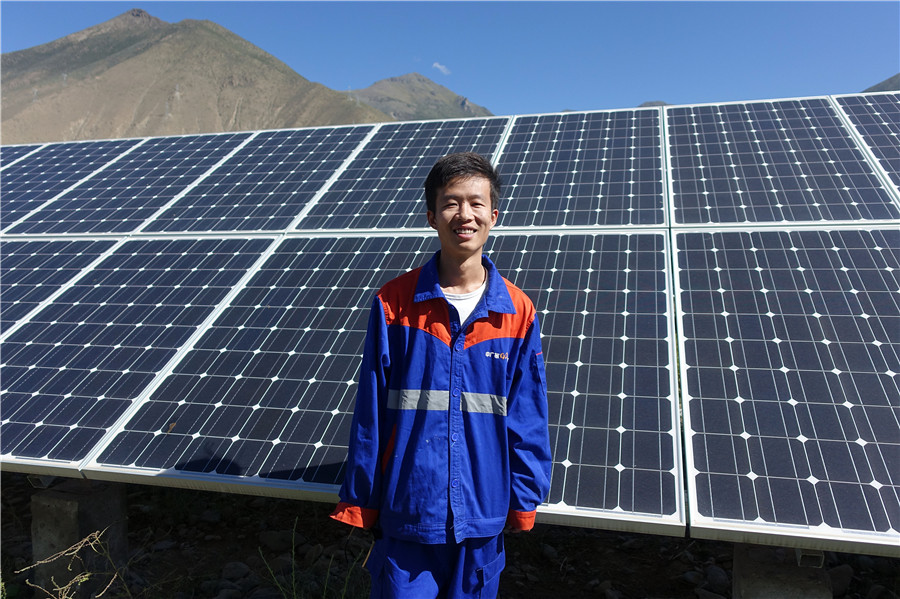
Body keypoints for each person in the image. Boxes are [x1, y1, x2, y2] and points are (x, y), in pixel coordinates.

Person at [330, 152, 552, 599]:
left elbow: (528, 417)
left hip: (482, 512)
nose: (464, 215)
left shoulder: (518, 311)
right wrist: (361, 499)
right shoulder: (394, 303)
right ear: (431, 215)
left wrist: (524, 498)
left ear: (494, 214)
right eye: (451, 203)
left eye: (475, 203)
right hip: (408, 509)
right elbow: (371, 412)